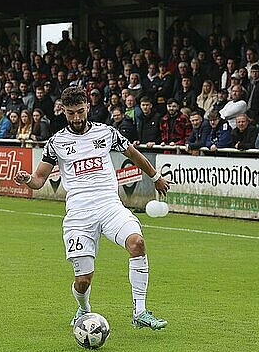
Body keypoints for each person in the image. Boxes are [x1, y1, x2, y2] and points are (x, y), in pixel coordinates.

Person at [14, 86, 173, 331]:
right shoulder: (56, 143)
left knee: (137, 243)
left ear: (87, 106)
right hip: (79, 215)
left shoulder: (107, 133)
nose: (76, 118)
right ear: (63, 111)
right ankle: (84, 308)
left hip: (110, 206)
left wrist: (155, 177)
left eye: (80, 111)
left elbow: (133, 154)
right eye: (70, 113)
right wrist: (26, 179)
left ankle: (140, 312)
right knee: (83, 280)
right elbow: (38, 181)